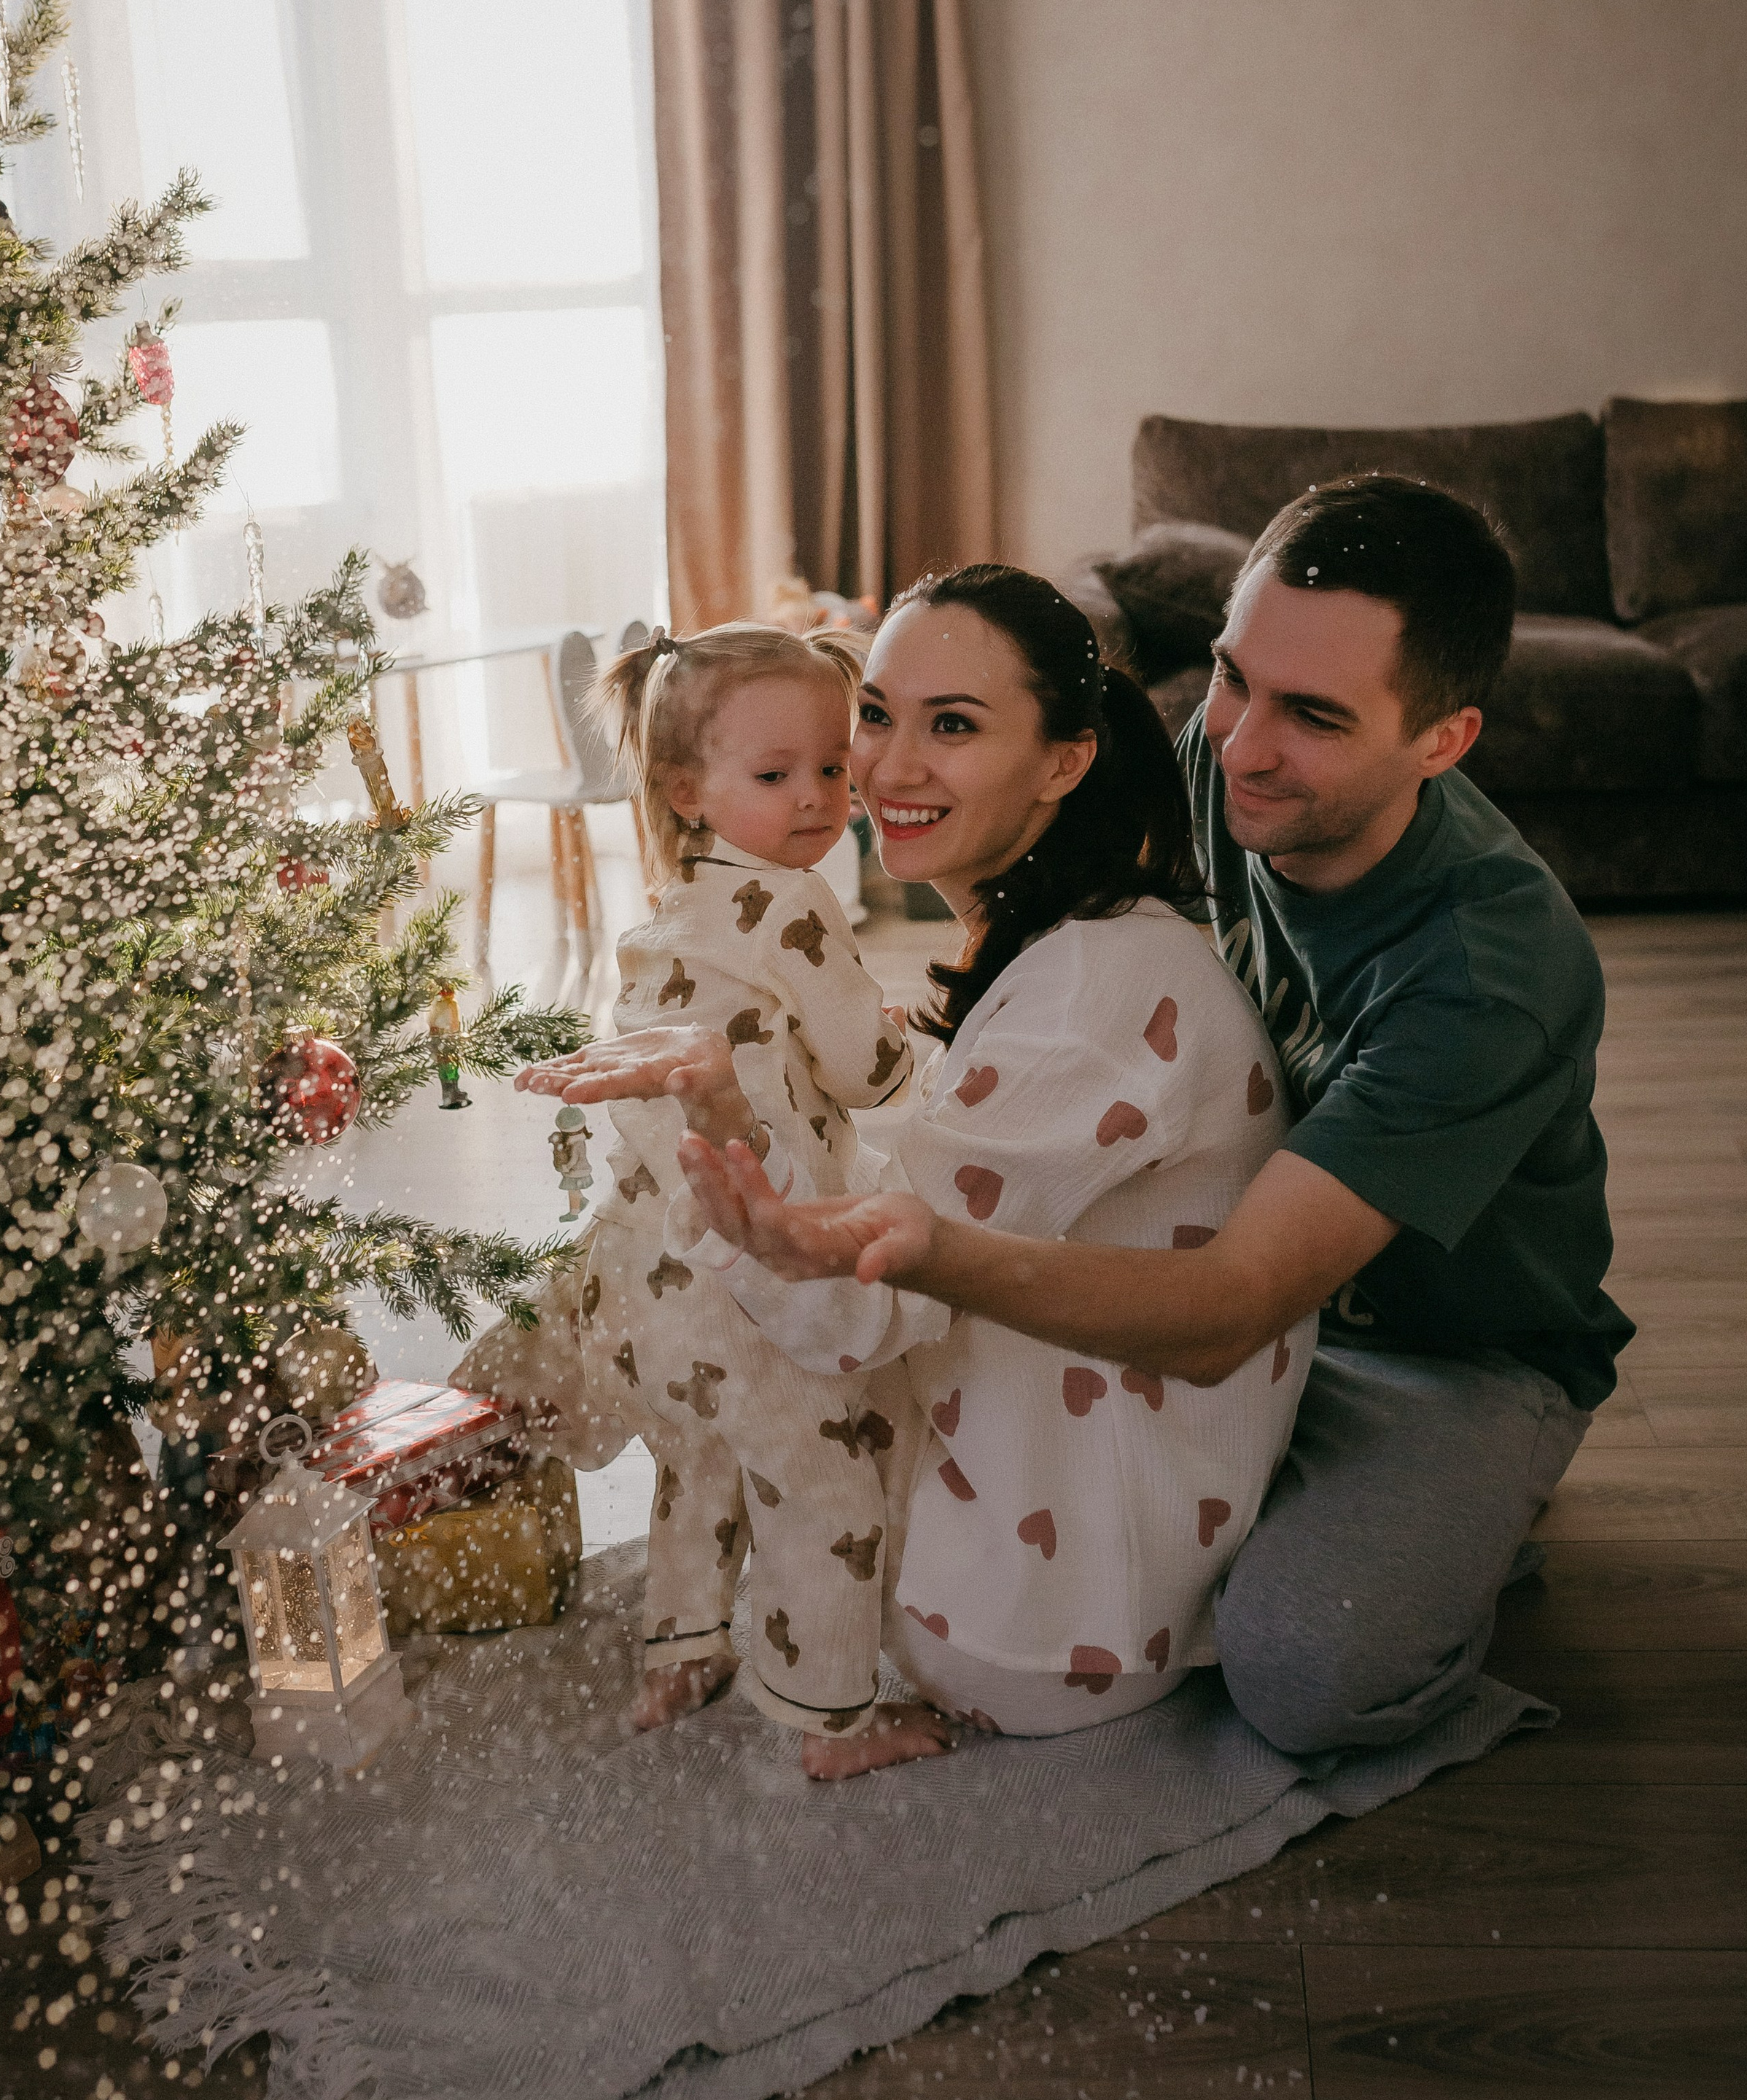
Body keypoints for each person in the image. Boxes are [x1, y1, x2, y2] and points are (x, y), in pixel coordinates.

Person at [677, 481, 1630, 1757]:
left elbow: (1231, 1308)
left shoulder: (1489, 976)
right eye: (1234, 678)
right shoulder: (1224, 774)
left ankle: (1479, 1516)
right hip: (1240, 1296)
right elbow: (1068, 939)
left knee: (1305, 1671)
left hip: (1438, 1353)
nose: (1240, 745)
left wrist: (925, 1247)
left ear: (1442, 740)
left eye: (1314, 715)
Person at [528, 569, 1309, 1755]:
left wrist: (724, 1121)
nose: (883, 768)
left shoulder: (1087, 997)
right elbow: (913, 1144)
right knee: (723, 1354)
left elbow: (848, 1315)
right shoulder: (1081, 942)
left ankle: (810, 1695)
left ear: (1064, 762)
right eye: (878, 715)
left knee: (769, 1399)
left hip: (1035, 1623)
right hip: (1068, 1530)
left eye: (952, 725)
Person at [514, 621, 948, 1780]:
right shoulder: (792, 905)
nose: (816, 798)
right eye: (775, 774)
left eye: (831, 766)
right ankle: (830, 1721)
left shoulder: (674, 907)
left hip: (646, 1272)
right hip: (741, 1272)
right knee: (825, 1477)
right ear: (685, 790)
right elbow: (867, 1071)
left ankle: (681, 1648)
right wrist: (919, 1044)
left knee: (701, 1458)